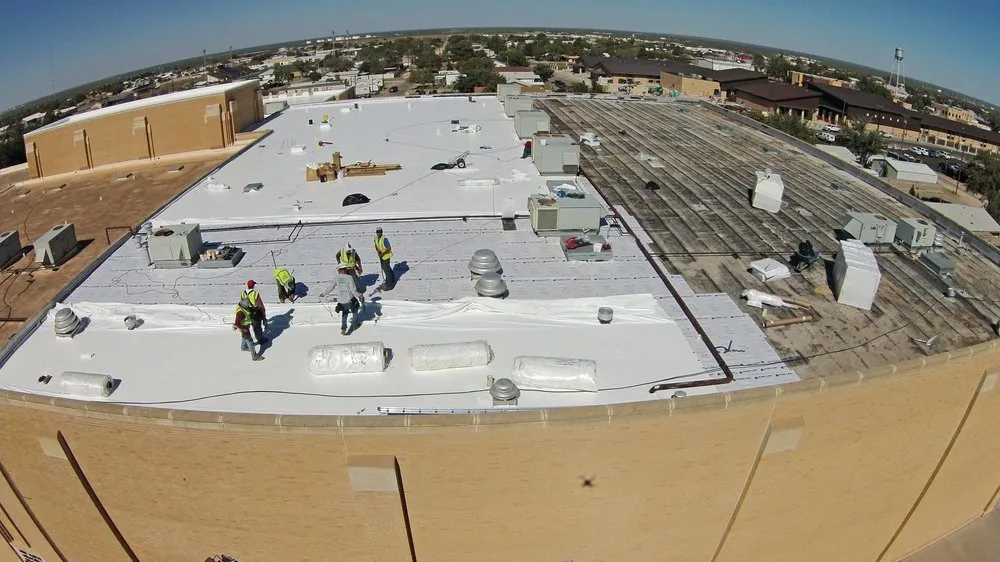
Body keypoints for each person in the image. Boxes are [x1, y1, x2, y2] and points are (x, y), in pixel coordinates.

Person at [332, 263, 365, 335]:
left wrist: (324, 293)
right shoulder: (349, 278)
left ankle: (343, 327)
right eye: (346, 269)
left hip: (341, 301)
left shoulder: (336, 278)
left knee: (345, 313)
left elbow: (331, 287)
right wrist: (360, 296)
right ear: (344, 270)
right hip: (349, 300)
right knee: (355, 310)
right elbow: (353, 291)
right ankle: (355, 325)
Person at [234, 297, 264, 361]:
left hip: (245, 326)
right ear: (244, 304)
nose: (248, 306)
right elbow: (237, 323)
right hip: (244, 328)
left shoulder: (242, 307)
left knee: (244, 337)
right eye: (247, 305)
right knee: (250, 341)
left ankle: (244, 347)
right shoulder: (240, 313)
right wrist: (243, 329)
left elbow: (248, 311)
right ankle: (254, 357)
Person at [240, 280, 268, 346]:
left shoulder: (243, 293)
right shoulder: (255, 293)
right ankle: (261, 340)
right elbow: (260, 305)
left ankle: (245, 344)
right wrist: (263, 315)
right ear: (253, 285)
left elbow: (241, 303)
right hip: (255, 313)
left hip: (246, 313)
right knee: (257, 328)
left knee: (246, 328)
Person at [374, 227, 395, 291]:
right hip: (381, 256)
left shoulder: (384, 239)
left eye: (380, 232)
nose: (378, 233)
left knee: (386, 270)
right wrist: (378, 251)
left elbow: (389, 248)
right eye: (377, 232)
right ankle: (392, 279)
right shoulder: (376, 238)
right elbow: (376, 245)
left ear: (382, 232)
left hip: (386, 256)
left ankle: (389, 285)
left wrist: (382, 254)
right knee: (386, 268)